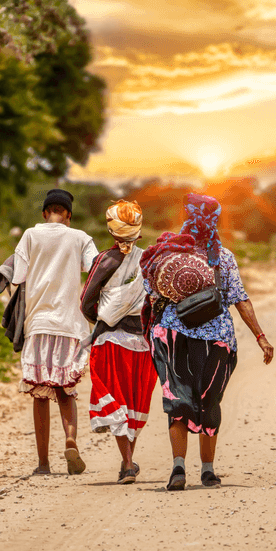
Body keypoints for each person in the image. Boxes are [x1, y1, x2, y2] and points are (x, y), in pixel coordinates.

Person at [141, 193, 274, 491]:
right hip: (216, 339)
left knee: (178, 401)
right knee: (209, 401)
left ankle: (178, 467)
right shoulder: (221, 257)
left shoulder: (167, 255)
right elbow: (239, 299)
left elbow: (149, 291)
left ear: (186, 216)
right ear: (216, 220)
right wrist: (261, 337)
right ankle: (208, 471)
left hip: (173, 337)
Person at [11, 188, 98, 475]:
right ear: (69, 216)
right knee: (66, 390)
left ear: (44, 213)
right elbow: (96, 271)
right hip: (71, 324)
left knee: (40, 393)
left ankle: (43, 464)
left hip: (38, 324)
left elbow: (18, 278)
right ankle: (70, 438)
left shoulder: (30, 236)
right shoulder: (80, 237)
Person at [80, 200, 157, 485]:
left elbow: (86, 301)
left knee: (118, 403)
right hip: (142, 344)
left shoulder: (104, 260)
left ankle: (127, 463)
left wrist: (101, 318)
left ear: (112, 231)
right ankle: (128, 462)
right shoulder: (148, 259)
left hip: (110, 341)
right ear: (138, 230)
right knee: (135, 403)